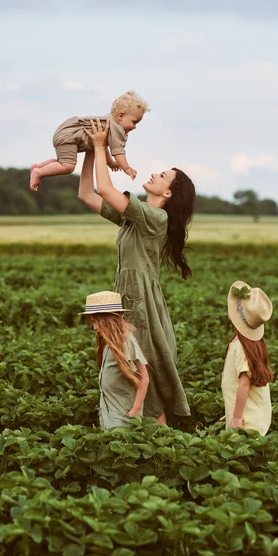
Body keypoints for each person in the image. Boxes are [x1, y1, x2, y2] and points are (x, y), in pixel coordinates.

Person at [78, 119, 196, 424]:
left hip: (139, 303)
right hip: (129, 299)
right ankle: (149, 443)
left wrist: (103, 146)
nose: (155, 174)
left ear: (168, 194)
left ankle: (158, 444)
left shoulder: (154, 217)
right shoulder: (134, 218)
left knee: (145, 369)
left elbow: (105, 187)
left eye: (163, 176)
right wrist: (92, 151)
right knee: (134, 367)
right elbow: (88, 195)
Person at [29, 90, 149, 191]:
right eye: (134, 122)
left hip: (66, 133)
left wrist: (110, 163)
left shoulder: (109, 122)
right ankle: (39, 172)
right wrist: (127, 168)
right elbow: (118, 151)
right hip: (69, 136)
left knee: (61, 162)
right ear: (120, 116)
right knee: (68, 167)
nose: (134, 127)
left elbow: (103, 146)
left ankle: (38, 166)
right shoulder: (116, 127)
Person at [80, 290, 149, 429]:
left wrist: (135, 410)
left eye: (95, 322)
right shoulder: (108, 342)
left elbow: (144, 378)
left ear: (107, 320)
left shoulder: (126, 342)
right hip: (108, 409)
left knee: (120, 445)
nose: (94, 327)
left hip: (123, 413)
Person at [221, 281, 273, 435]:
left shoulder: (242, 348)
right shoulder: (246, 343)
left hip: (247, 422)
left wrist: (236, 417)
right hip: (251, 413)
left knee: (242, 452)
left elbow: (244, 385)